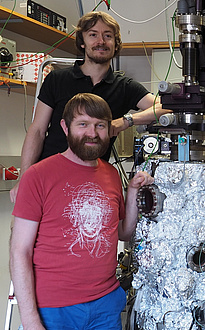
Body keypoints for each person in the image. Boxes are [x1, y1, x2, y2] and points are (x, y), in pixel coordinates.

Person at [10, 93, 154, 330]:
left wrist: (133, 192)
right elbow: (19, 252)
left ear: (109, 130)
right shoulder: (38, 176)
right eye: (83, 124)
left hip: (105, 306)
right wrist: (30, 320)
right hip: (53, 308)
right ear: (65, 127)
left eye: (100, 125)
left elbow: (123, 233)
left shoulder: (111, 174)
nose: (92, 133)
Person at [9, 11, 169, 202]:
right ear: (82, 42)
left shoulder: (124, 86)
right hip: (48, 177)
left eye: (107, 36)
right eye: (93, 34)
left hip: (92, 182)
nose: (101, 41)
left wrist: (126, 121)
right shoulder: (57, 79)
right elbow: (37, 130)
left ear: (115, 44)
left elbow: (166, 107)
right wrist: (25, 178)